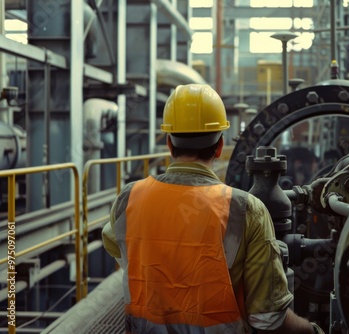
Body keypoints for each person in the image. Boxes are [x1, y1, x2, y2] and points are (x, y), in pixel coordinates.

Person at [102, 84, 324, 334]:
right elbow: (268, 318)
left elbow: (116, 245)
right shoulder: (245, 209)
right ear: (219, 147)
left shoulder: (129, 198)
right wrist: (313, 331)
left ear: (169, 143)